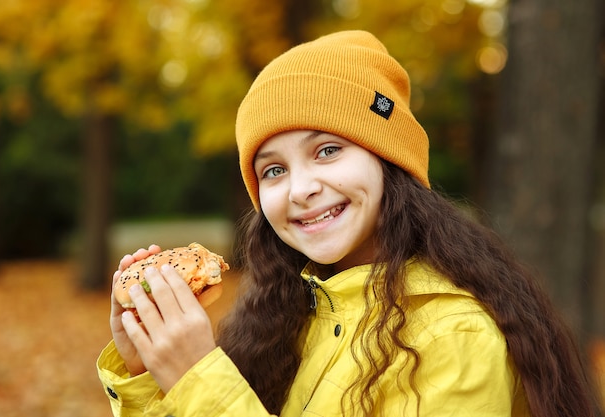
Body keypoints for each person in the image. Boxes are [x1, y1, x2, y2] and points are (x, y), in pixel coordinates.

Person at [97, 30, 597, 417]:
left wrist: (196, 377)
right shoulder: (288, 316)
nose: (299, 188)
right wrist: (147, 373)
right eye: (274, 169)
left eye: (327, 150)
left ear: (389, 161)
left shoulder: (452, 336)